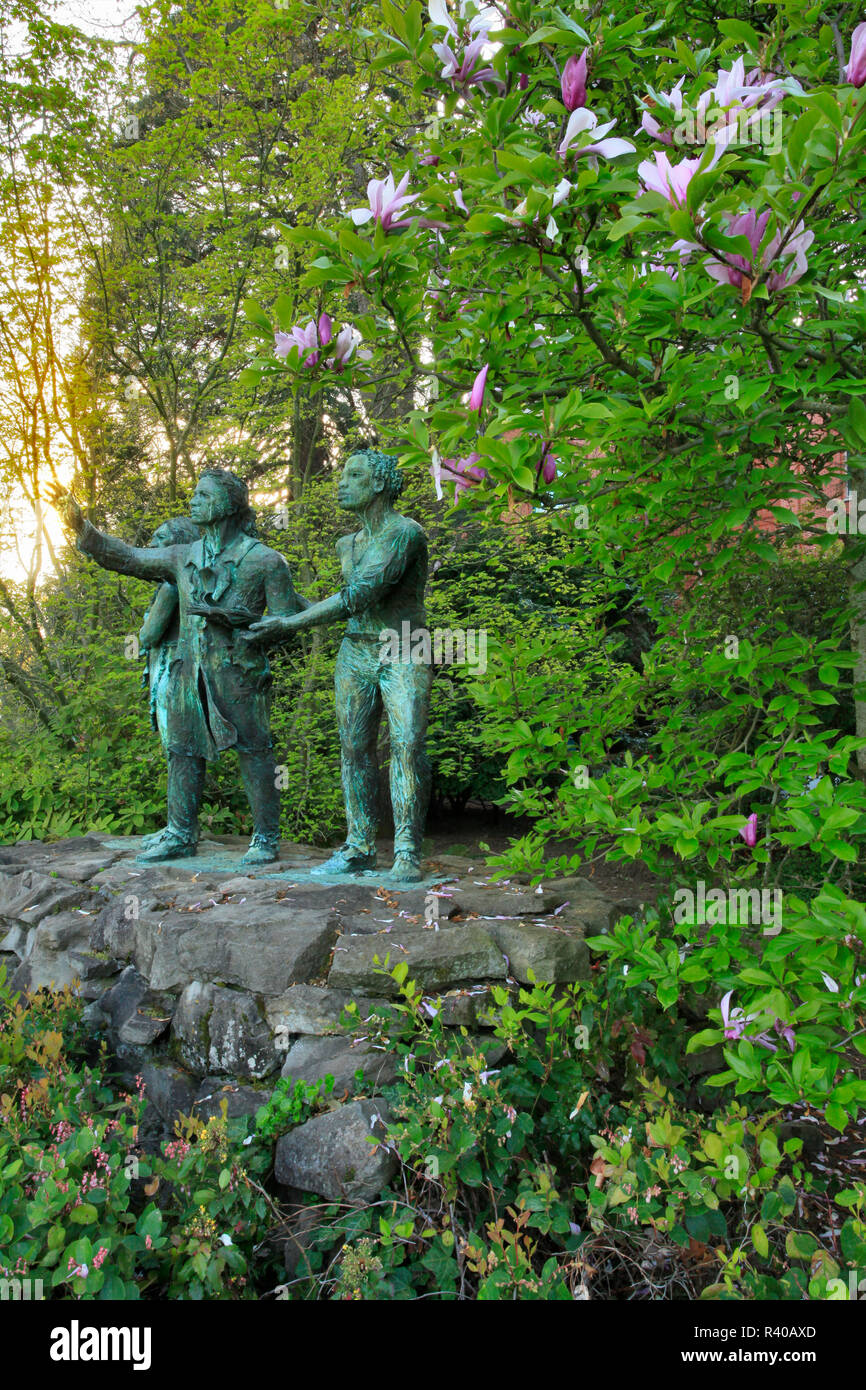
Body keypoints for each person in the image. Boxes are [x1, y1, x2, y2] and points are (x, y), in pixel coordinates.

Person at [50, 470, 304, 865]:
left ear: (230, 504)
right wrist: (83, 527)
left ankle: (266, 838)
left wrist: (232, 619)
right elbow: (129, 557)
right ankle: (181, 833)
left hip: (239, 671)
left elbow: (286, 624)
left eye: (204, 494)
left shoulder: (266, 561)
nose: (194, 499)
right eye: (195, 493)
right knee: (183, 749)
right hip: (188, 671)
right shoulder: (183, 555)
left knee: (255, 752)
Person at [239, 448, 432, 883]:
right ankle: (359, 846)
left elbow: (359, 596)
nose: (340, 483)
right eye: (342, 474)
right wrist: (281, 613)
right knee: (353, 748)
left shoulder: (406, 533)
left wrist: (288, 624)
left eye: (354, 475)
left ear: (379, 484)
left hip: (404, 646)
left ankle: (406, 851)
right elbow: (348, 611)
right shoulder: (347, 543)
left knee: (406, 745)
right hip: (355, 651)